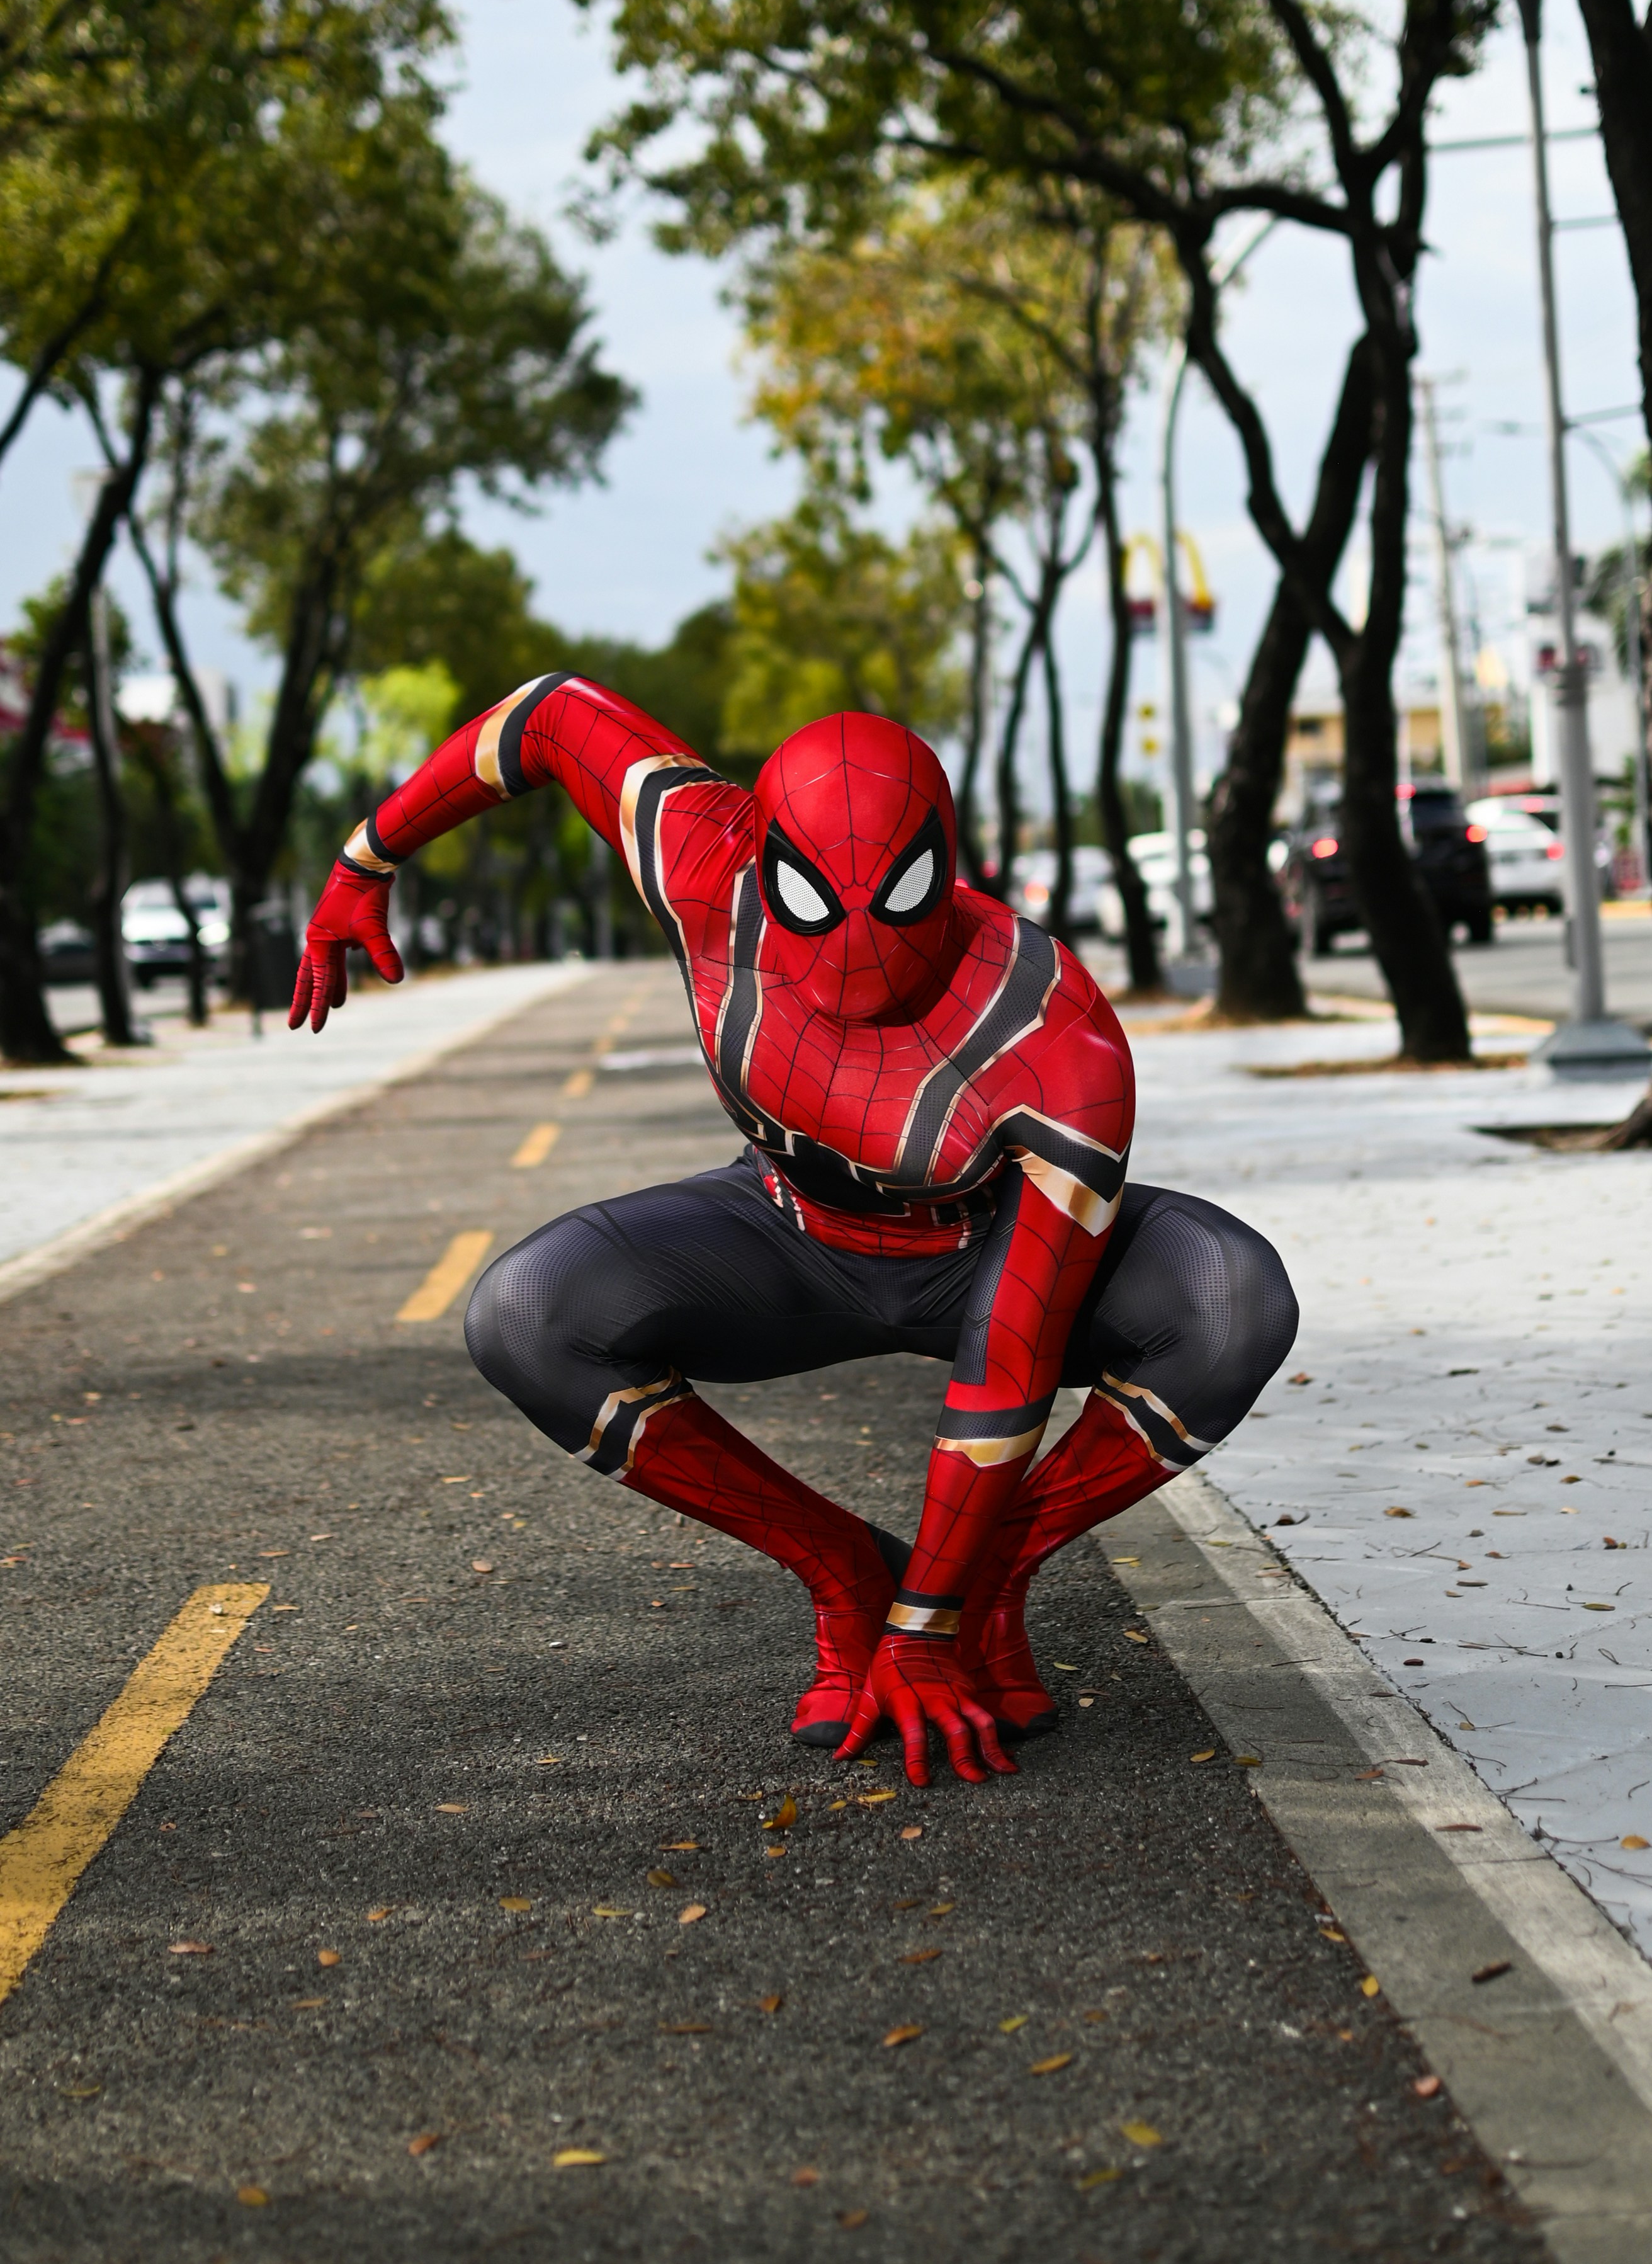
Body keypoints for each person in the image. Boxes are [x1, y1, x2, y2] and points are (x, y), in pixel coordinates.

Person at [292, 673, 1298, 1785]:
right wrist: (363, 860)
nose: (856, 946)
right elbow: (542, 717)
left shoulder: (1051, 1027)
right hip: (785, 1231)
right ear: (766, 861)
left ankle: (992, 1580)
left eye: (899, 897)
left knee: (1231, 1297)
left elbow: (1005, 1369)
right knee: (526, 1311)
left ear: (949, 865)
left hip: (980, 1258)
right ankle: (843, 1571)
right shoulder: (703, 857)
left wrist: (933, 1626)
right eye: (815, 902)